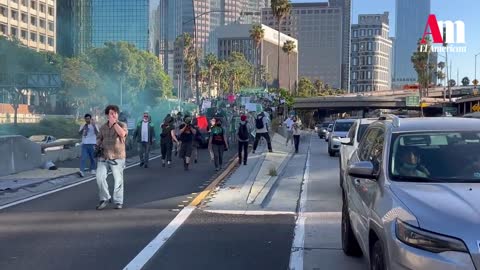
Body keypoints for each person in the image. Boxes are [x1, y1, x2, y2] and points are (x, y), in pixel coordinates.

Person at [95, 105, 128, 210]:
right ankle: (105, 198)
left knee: (118, 180)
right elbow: (99, 139)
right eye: (111, 113)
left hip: (117, 157)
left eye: (115, 113)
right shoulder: (103, 128)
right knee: (99, 177)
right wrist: (97, 145)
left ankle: (118, 201)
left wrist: (114, 123)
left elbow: (122, 134)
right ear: (107, 115)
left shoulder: (122, 125)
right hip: (104, 156)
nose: (113, 115)